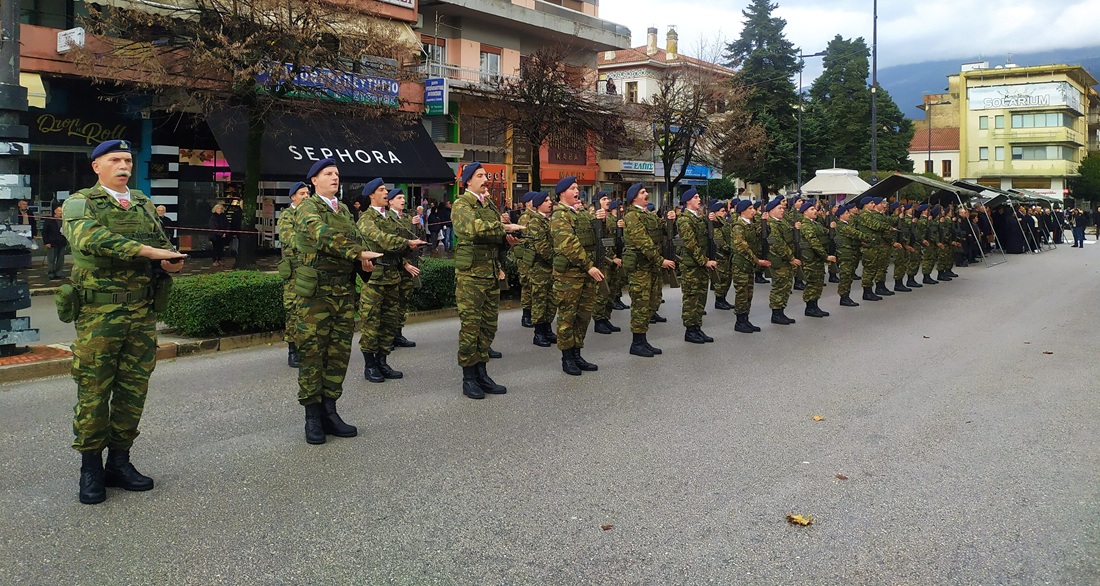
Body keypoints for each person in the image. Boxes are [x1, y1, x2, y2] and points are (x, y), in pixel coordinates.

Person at [62, 139, 186, 505]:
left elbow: (163, 244)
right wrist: (148, 252)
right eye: (114, 159)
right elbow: (89, 239)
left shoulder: (144, 204)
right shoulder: (80, 202)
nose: (123, 165)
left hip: (140, 314)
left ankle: (119, 461)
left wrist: (170, 261)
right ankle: (90, 468)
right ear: (96, 166)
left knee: (133, 391)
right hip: (99, 314)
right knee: (95, 389)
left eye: (128, 160)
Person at [293, 158, 383, 444]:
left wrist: (362, 264)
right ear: (314, 181)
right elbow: (322, 236)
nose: (335, 177)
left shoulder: (343, 209)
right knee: (312, 353)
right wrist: (357, 253)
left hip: (343, 293)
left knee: (338, 353)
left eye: (337, 174)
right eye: (328, 173)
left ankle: (330, 411)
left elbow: (356, 240)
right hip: (316, 295)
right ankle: (312, 417)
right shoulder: (308, 208)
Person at [452, 162, 525, 399]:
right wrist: (505, 227)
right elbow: (473, 229)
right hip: (471, 275)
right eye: (480, 176)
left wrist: (507, 240)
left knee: (488, 326)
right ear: (468, 181)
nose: (485, 180)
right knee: (471, 328)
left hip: (490, 273)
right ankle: (468, 378)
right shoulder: (462, 204)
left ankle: (482, 373)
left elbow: (495, 237)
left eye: (485, 176)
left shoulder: (488, 204)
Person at [356, 179, 425, 383]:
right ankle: (370, 365)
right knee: (372, 323)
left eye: (385, 189)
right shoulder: (366, 219)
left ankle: (383, 361)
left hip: (393, 277)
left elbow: (406, 238)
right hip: (375, 278)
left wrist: (410, 243)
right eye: (381, 190)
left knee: (388, 323)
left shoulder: (392, 219)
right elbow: (381, 239)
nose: (386, 193)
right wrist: (406, 243)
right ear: (371, 195)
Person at [550, 176, 603, 375]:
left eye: (577, 188)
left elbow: (593, 237)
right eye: (573, 188)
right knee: (567, 316)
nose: (577, 191)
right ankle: (567, 358)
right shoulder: (559, 216)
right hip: (569, 276)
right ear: (562, 192)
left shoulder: (580, 214)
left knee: (583, 316)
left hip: (585, 274)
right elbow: (569, 244)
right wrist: (589, 265)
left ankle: (577, 353)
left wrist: (600, 220)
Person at [622, 183, 675, 357]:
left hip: (651, 267)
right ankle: (637, 342)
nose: (646, 195)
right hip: (639, 268)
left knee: (651, 303)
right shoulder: (631, 216)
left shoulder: (648, 216)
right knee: (640, 305)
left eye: (646, 192)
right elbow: (643, 242)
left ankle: (643, 340)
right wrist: (661, 260)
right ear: (634, 197)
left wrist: (670, 220)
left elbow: (665, 232)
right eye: (643, 192)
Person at [675, 188, 717, 343]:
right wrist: (704, 261)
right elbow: (691, 244)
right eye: (696, 197)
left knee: (701, 297)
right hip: (692, 266)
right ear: (688, 201)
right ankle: (690, 330)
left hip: (700, 265)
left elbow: (714, 229)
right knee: (691, 298)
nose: (699, 200)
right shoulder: (685, 220)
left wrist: (711, 218)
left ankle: (697, 328)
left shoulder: (699, 218)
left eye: (699, 197)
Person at [278, 181, 310, 368]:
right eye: (302, 193)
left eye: (307, 193)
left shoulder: (311, 214)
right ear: (293, 197)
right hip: (294, 271)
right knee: (293, 310)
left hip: (310, 270)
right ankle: (293, 350)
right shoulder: (287, 216)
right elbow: (289, 238)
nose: (306, 196)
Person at [389, 188, 424, 349]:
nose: (403, 200)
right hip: (395, 267)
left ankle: (398, 333)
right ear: (390, 201)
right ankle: (387, 337)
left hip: (409, 266)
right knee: (391, 304)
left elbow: (419, 240)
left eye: (403, 197)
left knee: (403, 301)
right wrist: (405, 263)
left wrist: (419, 226)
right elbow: (390, 246)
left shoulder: (408, 218)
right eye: (399, 198)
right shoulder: (387, 219)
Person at [729, 199, 769, 332]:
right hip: (741, 265)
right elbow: (742, 247)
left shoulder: (751, 224)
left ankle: (745, 319)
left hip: (749, 265)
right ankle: (739, 322)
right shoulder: (738, 226)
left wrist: (765, 222)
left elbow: (762, 234)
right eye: (750, 208)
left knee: (748, 293)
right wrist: (757, 260)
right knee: (742, 293)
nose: (753, 211)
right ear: (743, 211)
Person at [525, 191, 557, 348]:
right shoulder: (535, 223)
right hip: (540, 268)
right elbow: (542, 248)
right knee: (539, 300)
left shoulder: (550, 221)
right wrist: (556, 262)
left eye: (550, 200)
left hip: (550, 268)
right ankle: (538, 333)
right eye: (546, 201)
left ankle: (547, 329)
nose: (549, 203)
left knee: (551, 300)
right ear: (538, 205)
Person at [592, 191, 623, 336]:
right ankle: (599, 320)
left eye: (607, 198)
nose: (608, 201)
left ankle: (605, 318)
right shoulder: (594, 218)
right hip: (604, 260)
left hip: (613, 260)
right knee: (602, 292)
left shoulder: (610, 217)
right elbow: (601, 242)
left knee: (611, 291)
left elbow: (614, 239)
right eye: (604, 199)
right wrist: (612, 257)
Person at [798, 199, 835, 317]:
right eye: (812, 209)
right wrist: (826, 257)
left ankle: (815, 306)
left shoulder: (816, 224)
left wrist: (833, 228)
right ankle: (810, 307)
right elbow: (814, 243)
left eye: (815, 209)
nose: (815, 211)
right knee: (812, 283)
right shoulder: (806, 226)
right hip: (811, 260)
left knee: (818, 283)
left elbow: (828, 234)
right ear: (805, 212)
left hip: (817, 259)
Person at [765, 197, 799, 325]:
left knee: (786, 286)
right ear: (771, 211)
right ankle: (776, 313)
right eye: (779, 208)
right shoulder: (772, 225)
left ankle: (781, 311)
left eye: (782, 208)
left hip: (786, 260)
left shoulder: (782, 222)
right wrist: (791, 257)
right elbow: (778, 244)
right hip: (779, 260)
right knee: (779, 287)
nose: (782, 210)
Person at [834, 204, 870, 306]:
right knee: (845, 276)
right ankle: (844, 297)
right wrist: (870, 238)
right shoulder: (843, 226)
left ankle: (846, 296)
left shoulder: (845, 225)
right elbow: (856, 234)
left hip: (849, 253)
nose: (849, 215)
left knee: (848, 276)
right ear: (841, 216)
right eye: (846, 213)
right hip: (845, 254)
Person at [711, 199, 734, 311]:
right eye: (721, 211)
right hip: (721, 256)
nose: (724, 213)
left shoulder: (724, 224)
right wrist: (731, 249)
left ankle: (723, 299)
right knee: (721, 279)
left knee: (728, 279)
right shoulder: (715, 227)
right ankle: (719, 300)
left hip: (727, 256)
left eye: (724, 211)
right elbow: (720, 243)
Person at [42, 203, 67, 280]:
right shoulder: (49, 220)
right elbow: (44, 232)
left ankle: (59, 273)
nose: (61, 213)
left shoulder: (64, 220)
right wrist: (46, 242)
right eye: (59, 211)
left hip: (61, 242)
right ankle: (51, 273)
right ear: (55, 211)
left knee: (60, 259)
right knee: (51, 259)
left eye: (62, 211)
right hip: (51, 243)